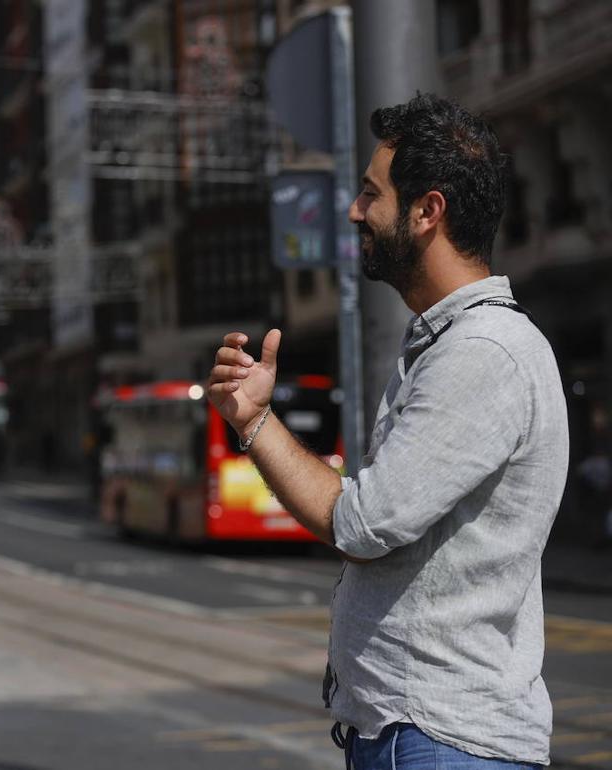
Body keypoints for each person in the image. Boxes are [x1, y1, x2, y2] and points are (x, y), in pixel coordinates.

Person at [208, 94, 567, 769]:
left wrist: (256, 423)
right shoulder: (453, 345)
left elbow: (363, 524)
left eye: (371, 194)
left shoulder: (482, 353)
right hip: (419, 735)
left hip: (441, 739)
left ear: (427, 211)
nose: (354, 212)